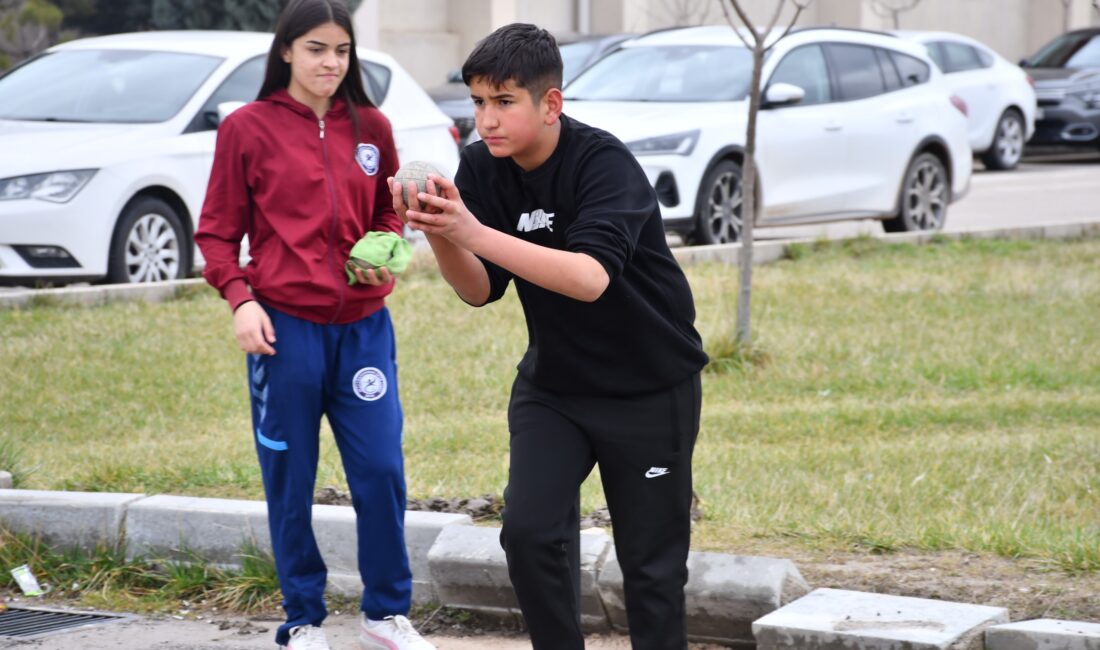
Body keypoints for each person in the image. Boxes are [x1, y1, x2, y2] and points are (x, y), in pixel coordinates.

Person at [393, 22, 708, 650]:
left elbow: (590, 278)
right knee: (530, 535)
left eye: (504, 102)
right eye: (479, 101)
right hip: (556, 388)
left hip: (649, 388)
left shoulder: (603, 163)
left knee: (650, 569)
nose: (487, 120)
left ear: (551, 103)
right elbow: (481, 289)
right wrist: (438, 230)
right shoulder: (483, 166)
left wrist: (472, 230)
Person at [194, 1, 434, 649]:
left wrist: (384, 247)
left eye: (342, 51)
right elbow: (217, 234)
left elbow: (390, 214)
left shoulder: (373, 127)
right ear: (286, 54)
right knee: (290, 477)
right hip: (285, 330)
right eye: (316, 49)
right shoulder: (248, 128)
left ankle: (386, 612)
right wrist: (242, 300)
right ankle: (302, 618)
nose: (331, 63)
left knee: (381, 468)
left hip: (363, 330)